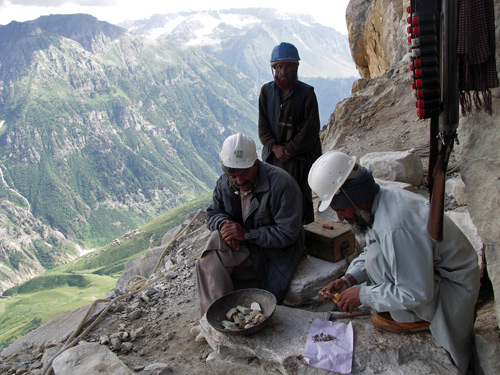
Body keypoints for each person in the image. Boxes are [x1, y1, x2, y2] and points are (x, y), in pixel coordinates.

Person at [308, 150, 480, 374]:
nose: (340, 218)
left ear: (352, 196)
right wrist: (348, 280)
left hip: (451, 290)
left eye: (340, 209)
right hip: (434, 275)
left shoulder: (396, 227)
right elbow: (373, 248)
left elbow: (417, 292)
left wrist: (363, 295)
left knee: (385, 270)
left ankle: (418, 317)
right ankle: (408, 312)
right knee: (376, 255)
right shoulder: (379, 201)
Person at [195, 133, 304, 319]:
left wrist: (247, 234)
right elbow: (213, 213)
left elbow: (288, 233)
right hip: (244, 246)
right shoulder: (225, 182)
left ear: (256, 164)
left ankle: (228, 316)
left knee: (217, 260)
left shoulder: (281, 184)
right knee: (209, 255)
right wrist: (223, 224)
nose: (239, 181)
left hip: (273, 252)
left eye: (244, 173)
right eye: (233, 176)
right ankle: (215, 318)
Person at [258, 42, 322, 224]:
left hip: (299, 159)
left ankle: (303, 238)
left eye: (288, 65)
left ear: (296, 66)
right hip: (274, 158)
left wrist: (290, 149)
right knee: (275, 198)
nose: (284, 70)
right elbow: (263, 127)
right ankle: (279, 236)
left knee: (300, 198)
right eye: (279, 66)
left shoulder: (307, 93)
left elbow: (310, 130)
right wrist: (274, 147)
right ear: (274, 69)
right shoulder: (266, 92)